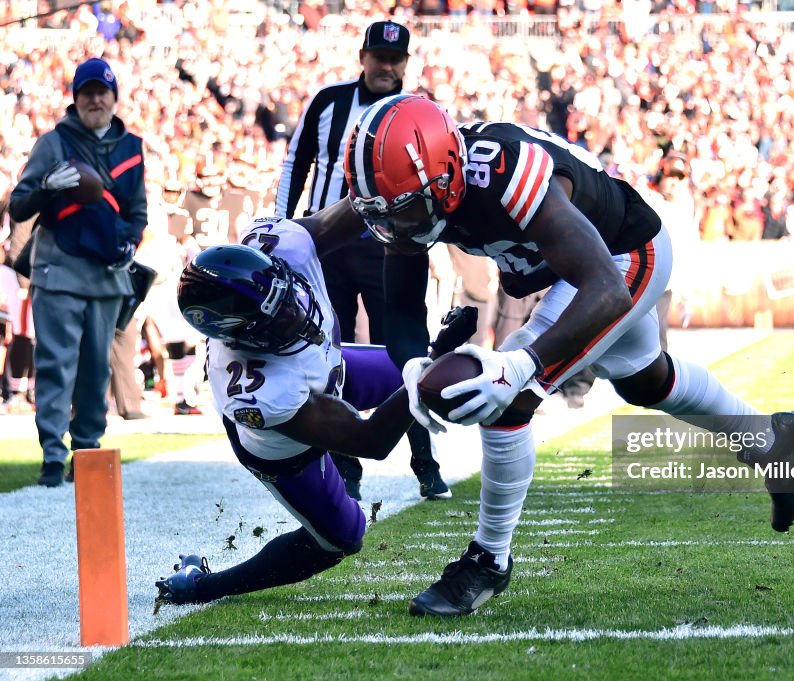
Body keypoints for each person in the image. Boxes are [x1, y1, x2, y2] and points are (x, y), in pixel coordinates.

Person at [331, 94, 794, 617]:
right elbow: (401, 307)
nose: (397, 224)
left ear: (447, 174)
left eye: (405, 208)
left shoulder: (503, 174)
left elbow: (604, 287)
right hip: (571, 267)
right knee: (646, 382)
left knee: (506, 393)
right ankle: (770, 440)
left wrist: (521, 366)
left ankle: (489, 560)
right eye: (385, 210)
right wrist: (412, 367)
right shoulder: (409, 185)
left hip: (619, 256)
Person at [154, 214, 475, 608]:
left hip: (330, 370)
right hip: (289, 449)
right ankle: (202, 586)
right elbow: (370, 440)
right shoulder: (261, 392)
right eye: (279, 317)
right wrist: (435, 358)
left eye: (286, 296)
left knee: (409, 366)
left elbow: (356, 210)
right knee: (344, 537)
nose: (297, 313)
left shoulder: (282, 246)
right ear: (242, 336)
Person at [275, 19, 449, 502]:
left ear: (406, 64)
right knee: (329, 349)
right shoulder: (328, 101)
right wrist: (281, 228)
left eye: (395, 59)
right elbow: (297, 162)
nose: (386, 66)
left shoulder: (419, 111)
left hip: (390, 241)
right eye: (379, 57)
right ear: (363, 56)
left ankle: (424, 460)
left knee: (405, 345)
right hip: (326, 245)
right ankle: (344, 461)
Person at [8, 57, 146, 486]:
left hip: (106, 275)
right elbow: (18, 204)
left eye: (102, 92)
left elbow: (138, 212)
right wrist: (45, 185)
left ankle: (86, 449)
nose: (95, 100)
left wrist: (130, 241)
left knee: (95, 372)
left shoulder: (131, 147)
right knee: (55, 365)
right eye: (87, 93)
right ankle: (52, 454)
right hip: (59, 268)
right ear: (76, 98)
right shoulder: (53, 143)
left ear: (114, 96)